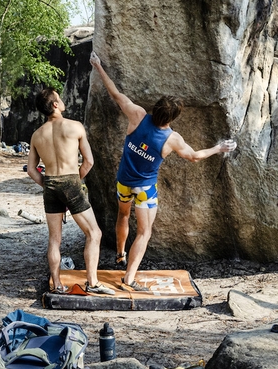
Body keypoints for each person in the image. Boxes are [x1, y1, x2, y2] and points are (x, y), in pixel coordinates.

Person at [90, 52, 235, 292]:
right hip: (145, 190)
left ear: (155, 108)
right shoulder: (172, 139)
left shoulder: (137, 116)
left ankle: (119, 253)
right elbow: (195, 157)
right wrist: (219, 148)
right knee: (144, 233)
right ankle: (129, 278)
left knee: (123, 216)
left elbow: (115, 94)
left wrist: (98, 66)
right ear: (173, 117)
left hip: (123, 182)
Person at [26, 87, 114, 295]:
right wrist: (74, 183)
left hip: (50, 184)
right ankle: (92, 282)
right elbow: (89, 162)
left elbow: (31, 170)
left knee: (54, 239)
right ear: (55, 104)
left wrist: (49, 184)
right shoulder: (75, 127)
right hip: (70, 181)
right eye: (59, 98)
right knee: (94, 233)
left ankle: (57, 284)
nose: (62, 100)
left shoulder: (37, 135)